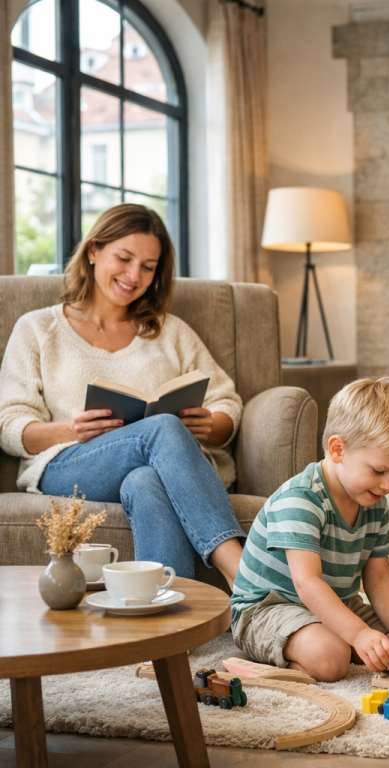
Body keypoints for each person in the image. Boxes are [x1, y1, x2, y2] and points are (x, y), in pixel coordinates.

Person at [0, 204, 244, 584]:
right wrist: (72, 430)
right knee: (161, 428)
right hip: (70, 465)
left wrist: (209, 425)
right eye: (125, 258)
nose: (134, 275)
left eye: (148, 267)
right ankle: (240, 570)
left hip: (153, 464)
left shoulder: (170, 331)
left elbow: (225, 400)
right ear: (94, 251)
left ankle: (168, 623)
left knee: (145, 480)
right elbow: (11, 424)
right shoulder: (37, 328)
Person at [230, 377, 389, 682]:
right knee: (331, 658)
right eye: (379, 471)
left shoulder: (373, 501)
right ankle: (276, 659)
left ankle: (344, 641)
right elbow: (307, 584)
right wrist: (359, 634)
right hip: (270, 610)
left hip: (336, 604)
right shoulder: (301, 499)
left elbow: (379, 575)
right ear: (337, 449)